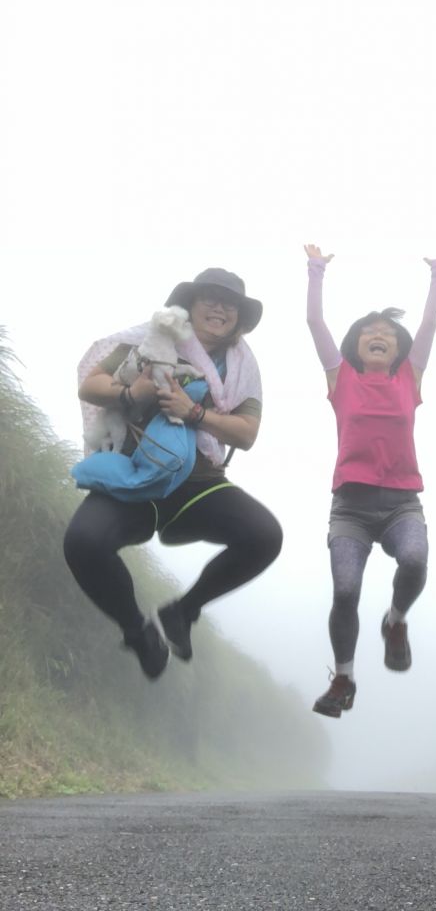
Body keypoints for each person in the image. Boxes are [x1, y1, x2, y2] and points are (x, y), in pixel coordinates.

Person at [63, 268, 283, 679]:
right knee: (83, 543)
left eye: (230, 303)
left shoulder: (242, 366)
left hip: (199, 484)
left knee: (265, 536)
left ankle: (181, 613)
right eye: (210, 298)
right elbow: (92, 385)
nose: (220, 307)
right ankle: (139, 632)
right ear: (190, 304)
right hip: (135, 473)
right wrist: (131, 392)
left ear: (239, 317)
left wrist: (195, 412)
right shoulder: (154, 339)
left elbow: (247, 433)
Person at [304, 244, 436, 717]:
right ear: (356, 344)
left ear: (398, 346)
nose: (378, 335)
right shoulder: (340, 378)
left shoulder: (409, 378)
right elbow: (315, 325)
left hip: (401, 503)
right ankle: (343, 679)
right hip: (350, 507)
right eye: (369, 331)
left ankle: (395, 622)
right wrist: (316, 270)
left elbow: (428, 327)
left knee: (414, 559)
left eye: (387, 332)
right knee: (345, 591)